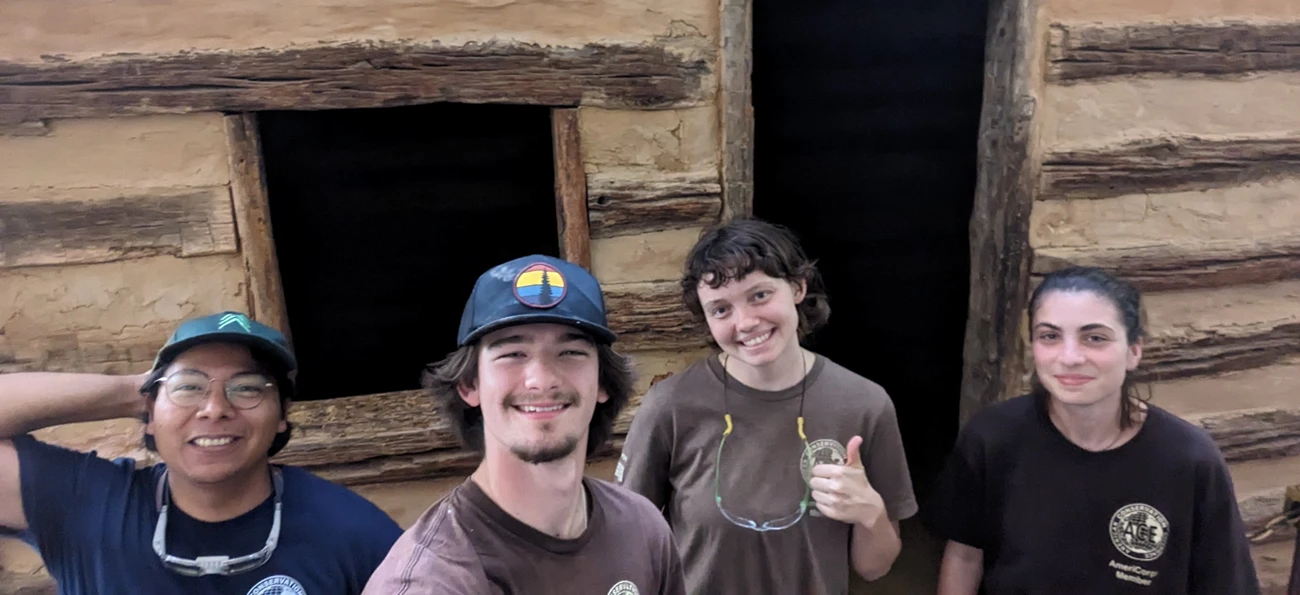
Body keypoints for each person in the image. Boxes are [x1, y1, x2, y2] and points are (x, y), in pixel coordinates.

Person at [0, 311, 403, 595]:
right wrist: (132, 391)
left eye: (247, 387)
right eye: (189, 387)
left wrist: (171, 389)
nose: (214, 408)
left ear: (282, 414)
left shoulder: (355, 534)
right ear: (149, 412)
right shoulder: (82, 503)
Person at [618, 218, 917, 594]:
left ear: (797, 287)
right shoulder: (672, 406)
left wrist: (870, 513)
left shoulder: (865, 404)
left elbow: (874, 568)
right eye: (721, 309)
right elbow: (627, 542)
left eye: (759, 295)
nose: (745, 322)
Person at [925, 266, 1260, 594]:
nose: (1070, 357)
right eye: (1050, 336)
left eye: (1095, 338)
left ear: (1133, 351)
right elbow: (966, 557)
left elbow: (1225, 583)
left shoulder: (1190, 460)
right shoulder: (993, 437)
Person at [362, 254, 686, 595]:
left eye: (570, 353)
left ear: (603, 382)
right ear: (469, 385)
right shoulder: (432, 582)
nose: (541, 380)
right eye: (513, 354)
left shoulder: (642, 529)